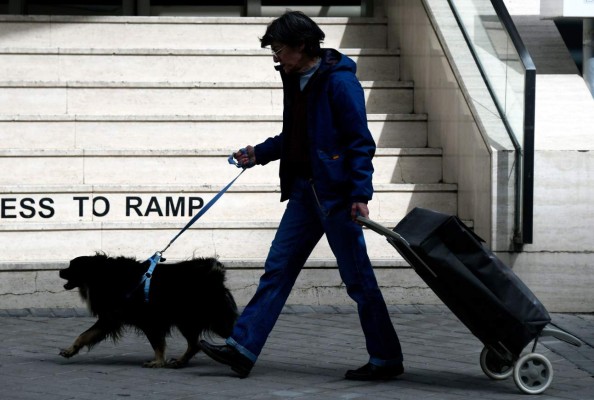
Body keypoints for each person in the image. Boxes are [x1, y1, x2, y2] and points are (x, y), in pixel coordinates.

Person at [200, 10, 404, 381]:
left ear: (302, 45)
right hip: (304, 193)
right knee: (277, 270)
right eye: (273, 49)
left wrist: (359, 192)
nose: (275, 56)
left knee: (358, 280)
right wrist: (258, 153)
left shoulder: (340, 84)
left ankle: (386, 358)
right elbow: (295, 136)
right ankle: (242, 349)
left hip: (337, 197)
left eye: (279, 48)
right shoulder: (294, 78)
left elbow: (360, 142)